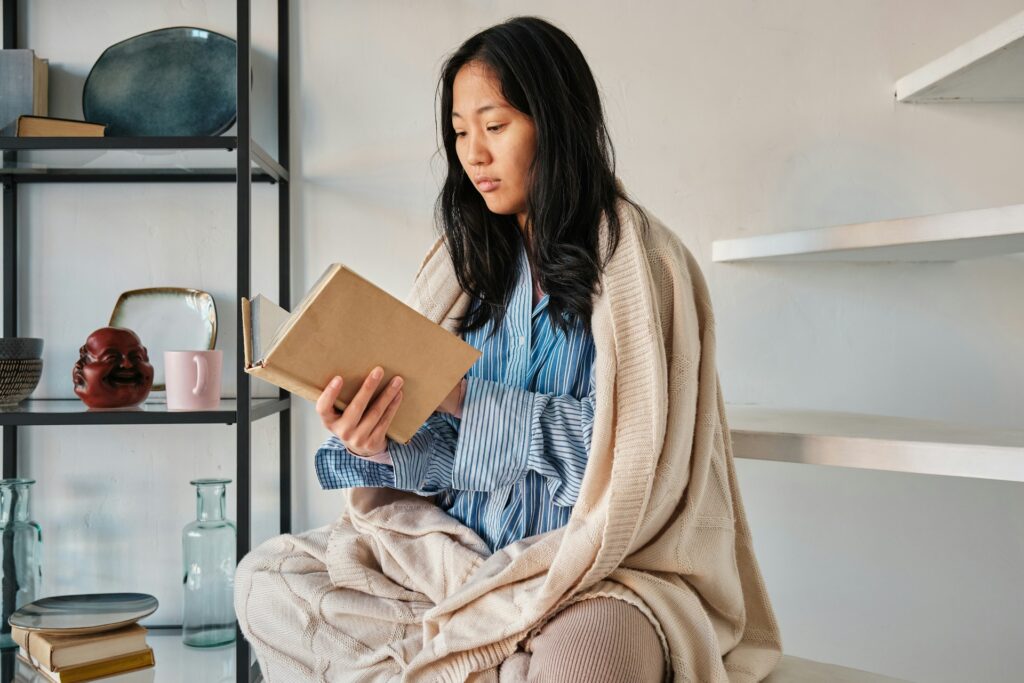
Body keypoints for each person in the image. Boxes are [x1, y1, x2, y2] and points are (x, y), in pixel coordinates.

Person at [236, 16, 782, 683]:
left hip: (595, 571)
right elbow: (446, 463)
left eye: (494, 127)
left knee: (596, 658)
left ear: (554, 122)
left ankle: (488, 658)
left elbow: (637, 467)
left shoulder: (645, 267)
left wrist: (466, 394)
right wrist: (378, 442)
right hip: (457, 562)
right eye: (461, 133)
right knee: (267, 578)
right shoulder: (461, 270)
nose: (474, 154)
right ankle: (496, 659)